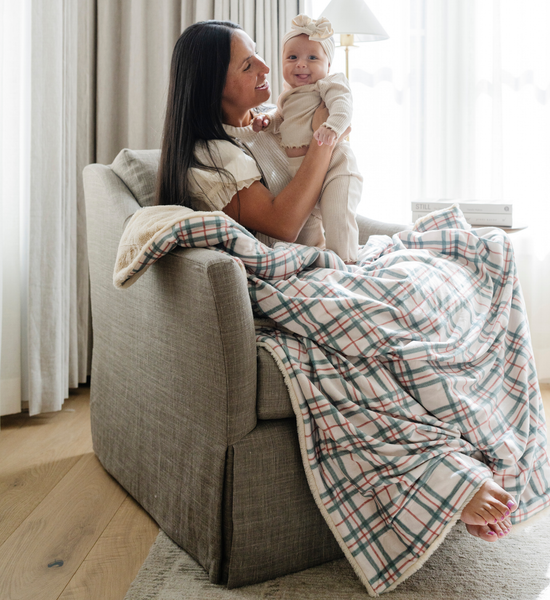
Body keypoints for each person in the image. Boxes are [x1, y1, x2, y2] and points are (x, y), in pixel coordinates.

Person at [156, 20, 522, 545]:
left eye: (262, 57)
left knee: (470, 255)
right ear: (215, 84)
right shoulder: (210, 157)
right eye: (247, 64)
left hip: (312, 255)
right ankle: (444, 472)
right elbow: (281, 223)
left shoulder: (246, 135)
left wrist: (311, 126)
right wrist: (327, 138)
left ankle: (476, 438)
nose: (266, 69)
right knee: (392, 316)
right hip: (277, 277)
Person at [252, 15, 362, 263]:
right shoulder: (287, 96)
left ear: (328, 65)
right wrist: (267, 121)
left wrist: (331, 127)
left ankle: (348, 264)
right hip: (298, 171)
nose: (301, 64)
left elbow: (344, 107)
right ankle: (319, 266)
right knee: (306, 232)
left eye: (312, 58)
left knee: (337, 217)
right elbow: (281, 117)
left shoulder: (327, 84)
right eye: (292, 57)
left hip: (335, 163)